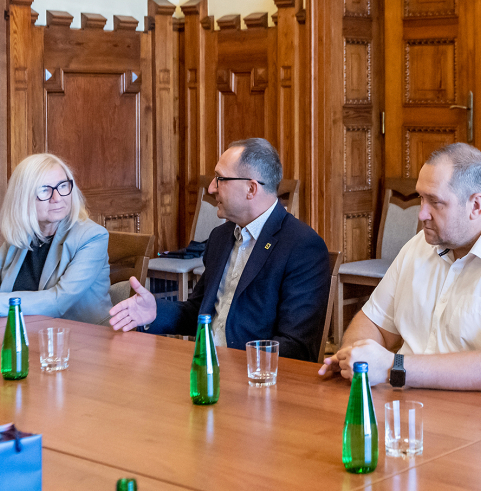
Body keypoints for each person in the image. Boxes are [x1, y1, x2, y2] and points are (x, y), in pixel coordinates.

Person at [319, 142, 481, 405]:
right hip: (422, 411)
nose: (421, 213)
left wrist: (394, 366)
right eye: (420, 198)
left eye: (435, 202)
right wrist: (359, 361)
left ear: (476, 206)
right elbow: (374, 323)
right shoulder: (421, 246)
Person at [109, 138, 331, 362]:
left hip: (257, 381)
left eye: (220, 179)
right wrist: (154, 312)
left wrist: (231, 365)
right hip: (206, 367)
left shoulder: (302, 246)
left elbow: (295, 346)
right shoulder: (221, 236)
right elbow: (199, 311)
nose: (211, 188)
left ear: (251, 188)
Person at [0, 154, 112, 324]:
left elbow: (58, 300)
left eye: (63, 186)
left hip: (83, 342)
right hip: (28, 333)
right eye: (45, 190)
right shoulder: (23, 234)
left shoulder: (93, 236)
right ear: (23, 198)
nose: (57, 198)